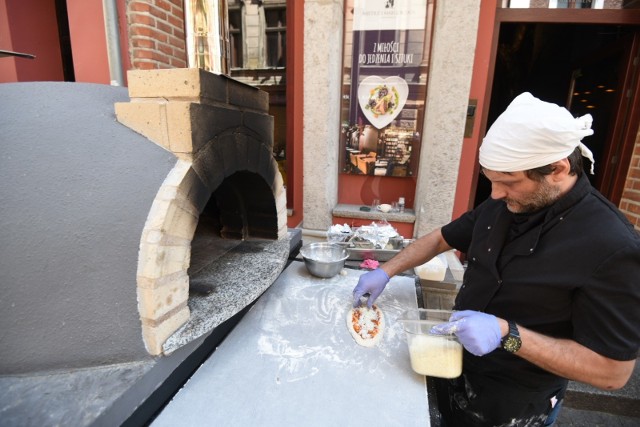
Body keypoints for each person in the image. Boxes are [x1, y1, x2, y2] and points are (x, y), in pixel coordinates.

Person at [352, 92, 640, 427]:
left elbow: (613, 373)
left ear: (558, 170)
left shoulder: (612, 247)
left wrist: (507, 333)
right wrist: (386, 272)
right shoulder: (502, 204)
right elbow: (441, 238)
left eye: (507, 182)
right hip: (451, 365)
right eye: (491, 180)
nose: (495, 193)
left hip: (514, 404)